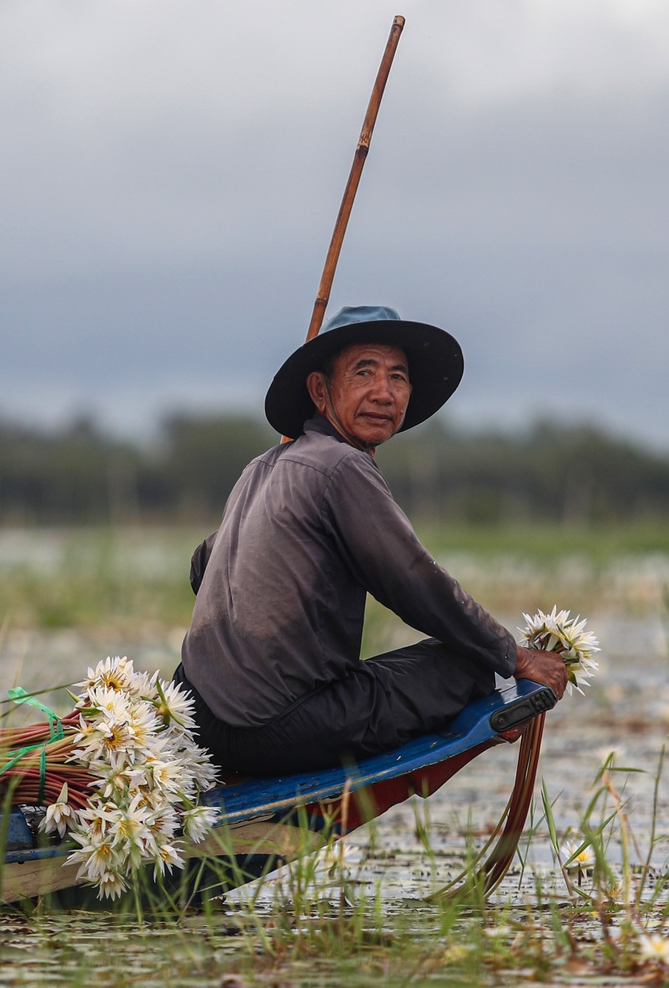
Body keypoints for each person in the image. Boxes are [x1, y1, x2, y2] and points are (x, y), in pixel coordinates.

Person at [177, 305, 571, 778]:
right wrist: (516, 657)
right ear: (320, 391)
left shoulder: (258, 469)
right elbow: (414, 583)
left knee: (458, 657)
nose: (383, 393)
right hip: (271, 729)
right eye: (364, 372)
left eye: (398, 378)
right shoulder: (341, 466)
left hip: (196, 719)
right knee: (464, 667)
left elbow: (202, 567)